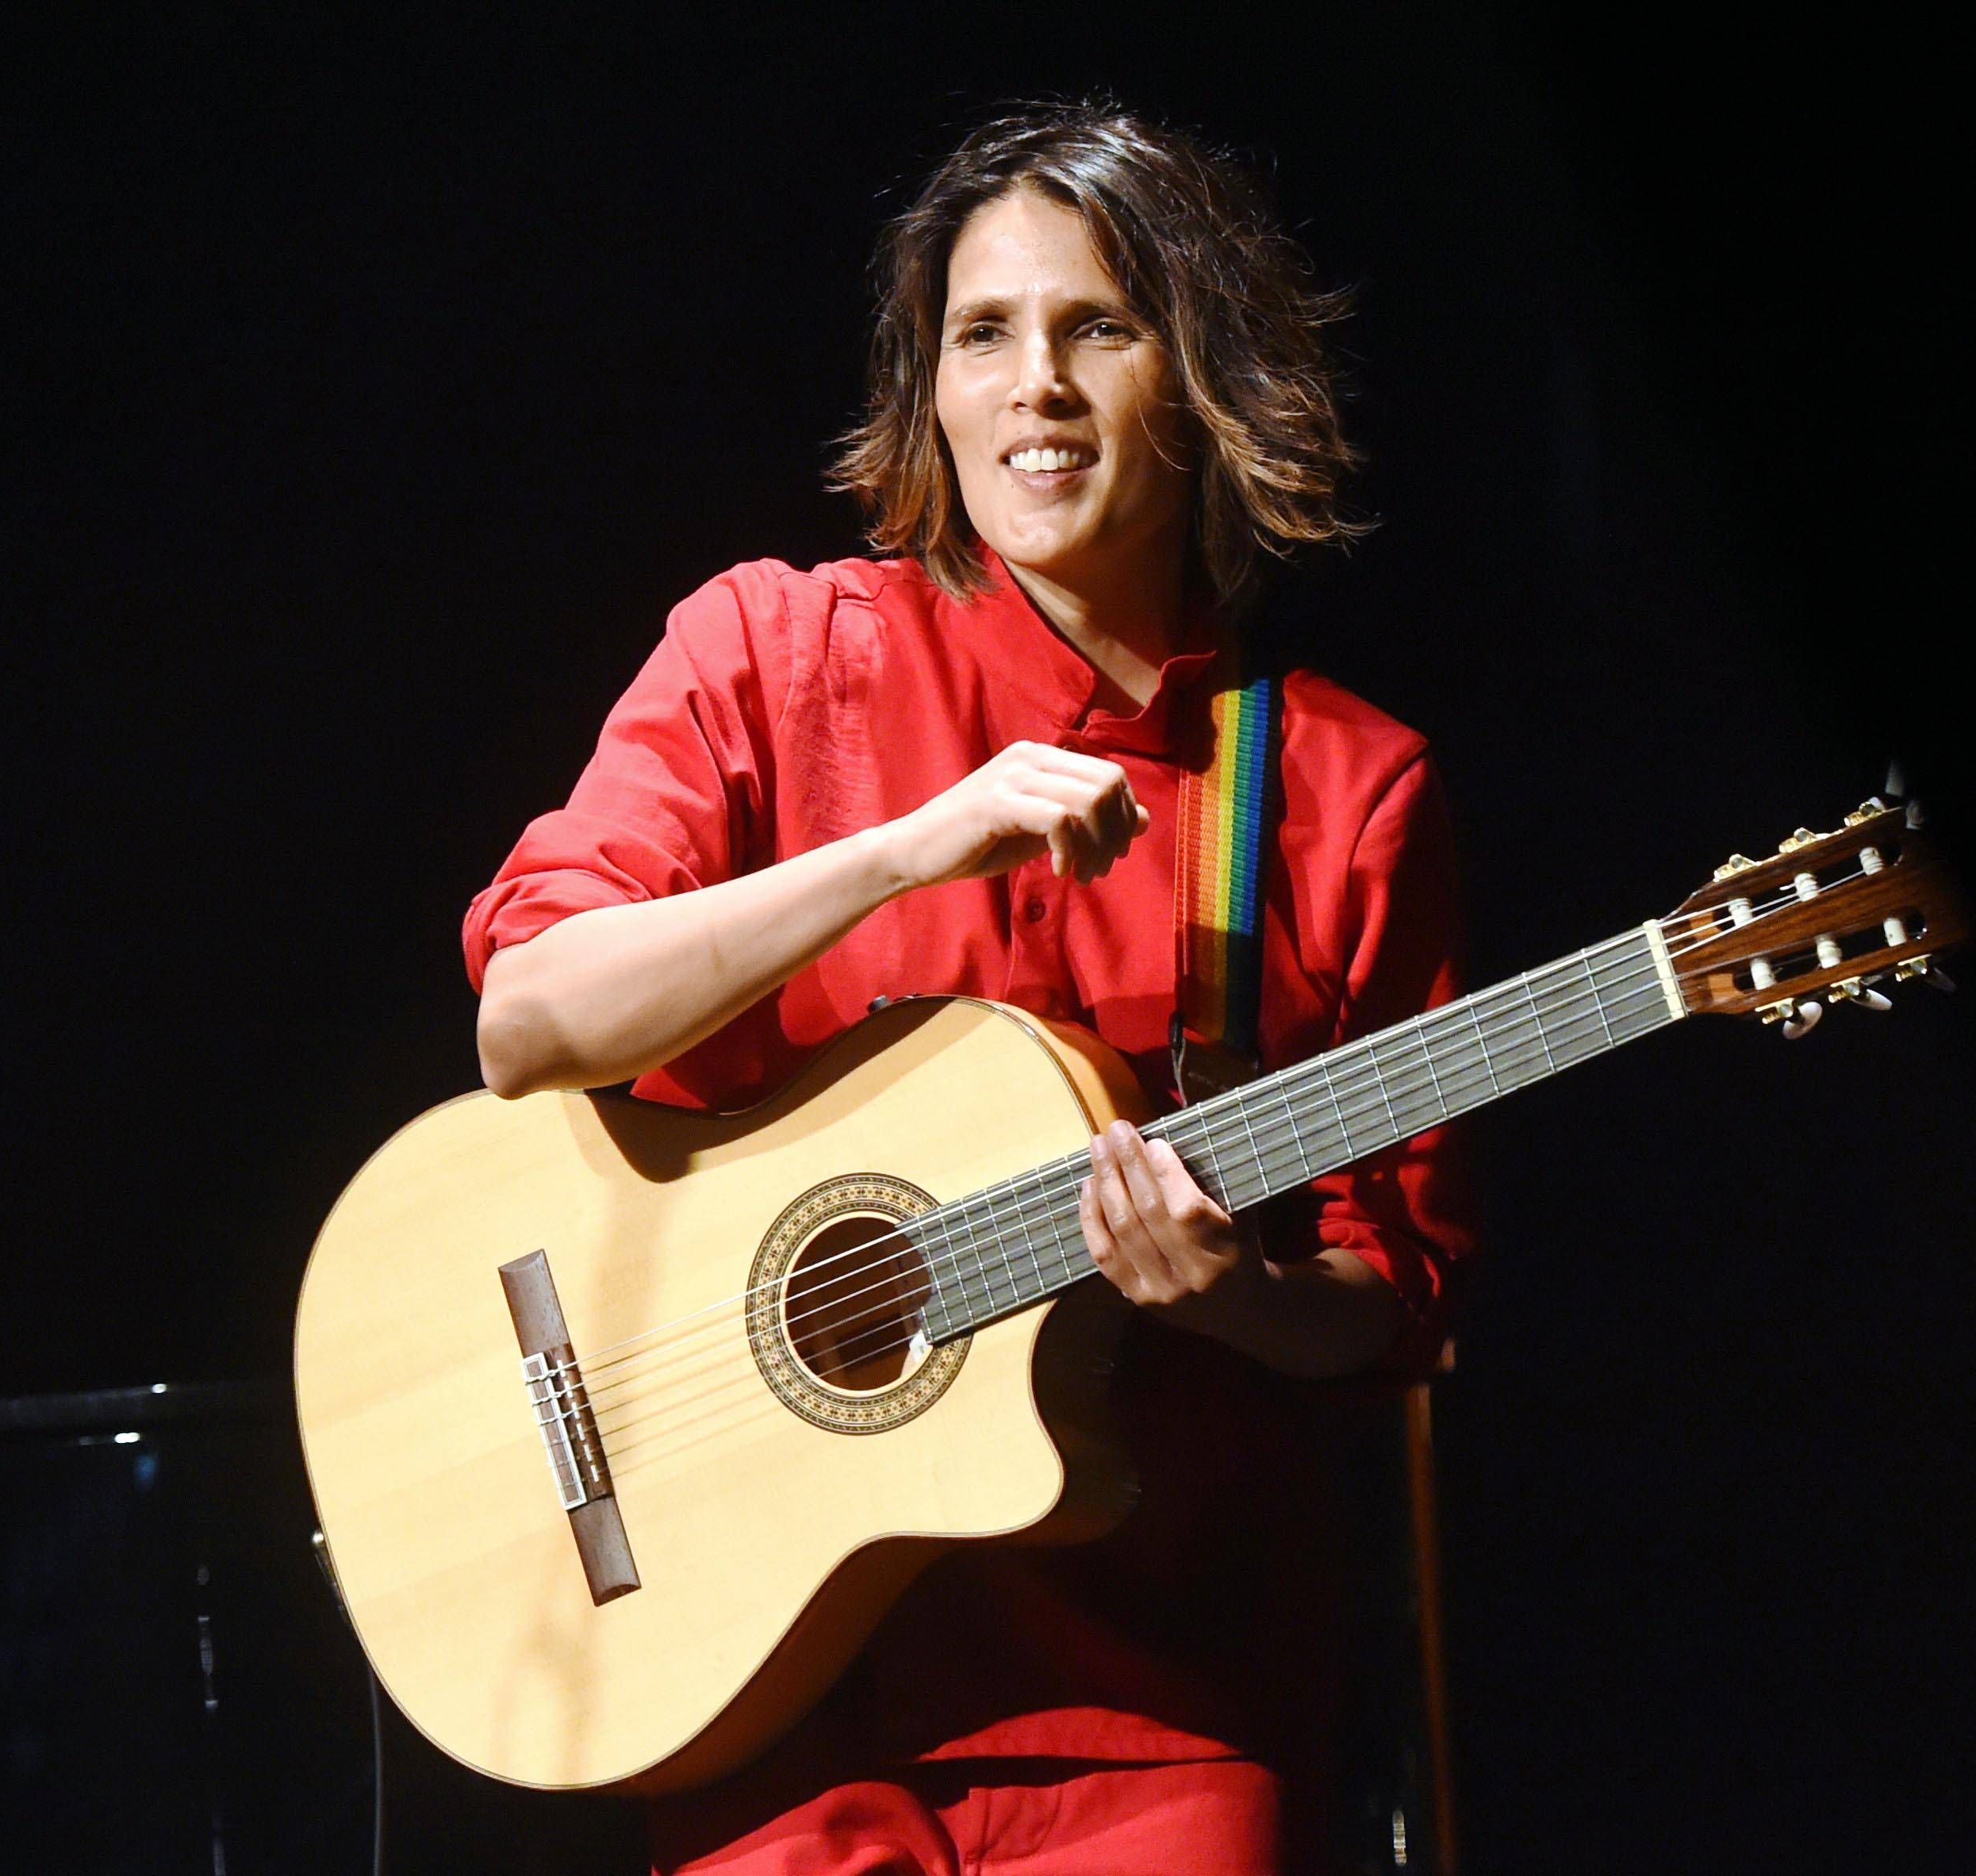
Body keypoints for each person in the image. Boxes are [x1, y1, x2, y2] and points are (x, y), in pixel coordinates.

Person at [462, 102, 1474, 1874]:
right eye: (983, 335)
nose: (1039, 390)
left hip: (1153, 1704)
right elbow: (530, 1015)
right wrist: (906, 849)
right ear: (926, 385)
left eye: (1101, 327)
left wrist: (1224, 1292)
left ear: (1204, 372)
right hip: (760, 1659)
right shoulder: (774, 651)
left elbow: (1385, 1303)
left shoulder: (1335, 790)